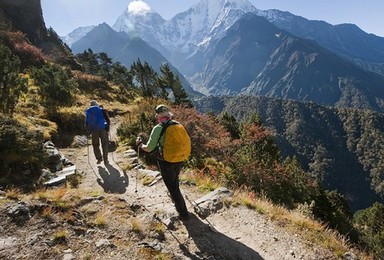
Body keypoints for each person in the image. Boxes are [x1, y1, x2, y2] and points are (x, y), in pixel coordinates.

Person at [136, 104, 190, 221]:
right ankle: (178, 202)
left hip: (166, 161)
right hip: (179, 158)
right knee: (174, 182)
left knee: (172, 187)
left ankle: (183, 213)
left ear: (158, 115)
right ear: (168, 114)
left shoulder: (158, 128)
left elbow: (149, 148)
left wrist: (141, 145)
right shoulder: (177, 124)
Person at [85, 100, 109, 164]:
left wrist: (88, 130)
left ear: (91, 105)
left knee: (95, 145)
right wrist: (107, 128)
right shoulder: (101, 110)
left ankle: (99, 158)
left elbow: (87, 122)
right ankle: (105, 159)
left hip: (94, 130)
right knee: (105, 144)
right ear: (96, 104)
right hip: (103, 129)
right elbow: (107, 119)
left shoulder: (88, 111)